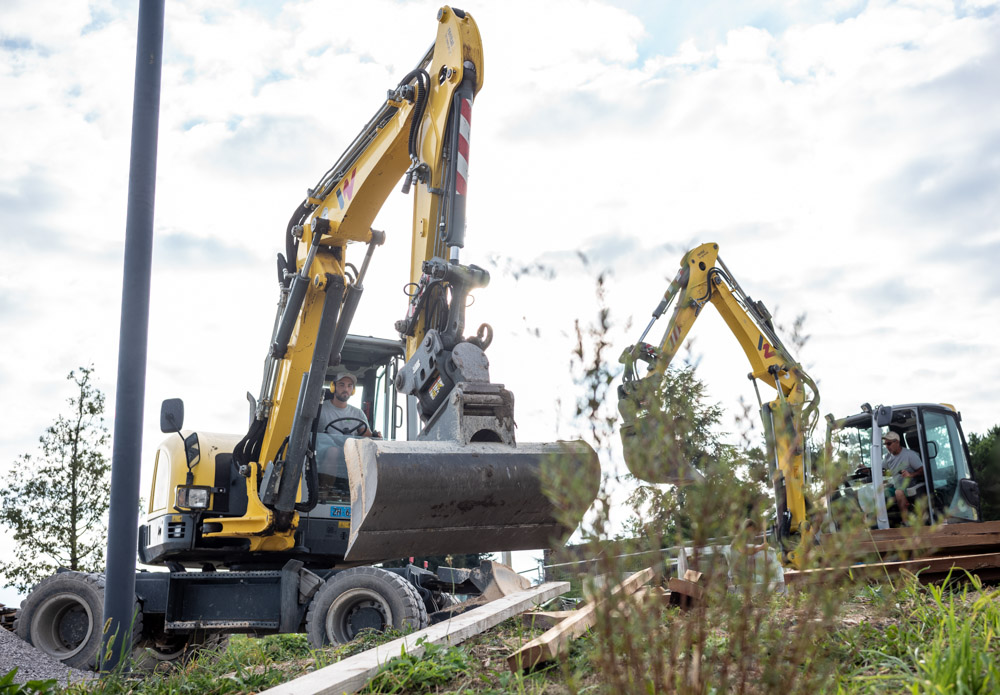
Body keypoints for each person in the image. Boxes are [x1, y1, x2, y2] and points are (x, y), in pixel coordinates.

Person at [882, 431, 923, 524]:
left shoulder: (910, 455)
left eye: (889, 443)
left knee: (898, 492)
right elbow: (882, 470)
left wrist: (910, 475)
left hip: (910, 485)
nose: (887, 447)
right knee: (880, 493)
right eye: (885, 444)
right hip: (896, 485)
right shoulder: (887, 457)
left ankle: (906, 522)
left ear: (897, 442)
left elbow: (922, 470)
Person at [318, 372, 375, 437]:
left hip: (350, 447)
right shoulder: (319, 409)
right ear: (333, 387)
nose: (346, 389)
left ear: (353, 390)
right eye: (342, 385)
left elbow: (367, 438)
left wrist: (376, 436)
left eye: (349, 386)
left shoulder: (358, 413)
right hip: (322, 447)